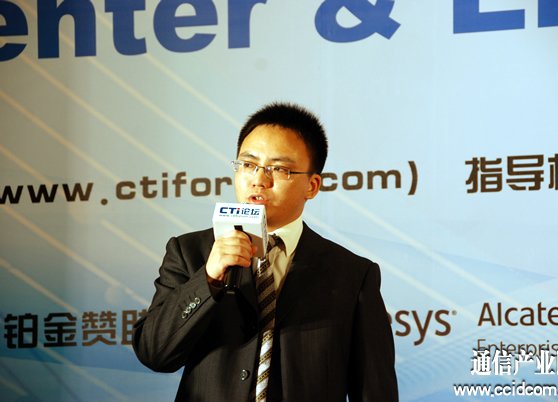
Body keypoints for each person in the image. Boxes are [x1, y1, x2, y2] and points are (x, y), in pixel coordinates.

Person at [133, 102, 399, 402]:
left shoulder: (353, 274)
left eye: (279, 169)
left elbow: (375, 389)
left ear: (312, 186)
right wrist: (207, 280)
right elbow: (154, 353)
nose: (259, 179)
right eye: (248, 165)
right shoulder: (190, 252)